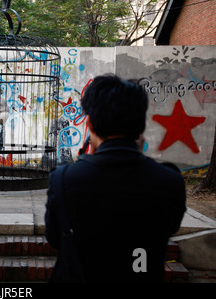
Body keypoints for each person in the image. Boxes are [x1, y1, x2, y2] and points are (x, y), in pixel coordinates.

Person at [45, 74, 186, 282]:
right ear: (140, 126)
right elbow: (170, 227)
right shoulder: (170, 181)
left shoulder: (63, 179)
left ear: (90, 125)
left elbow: (55, 239)